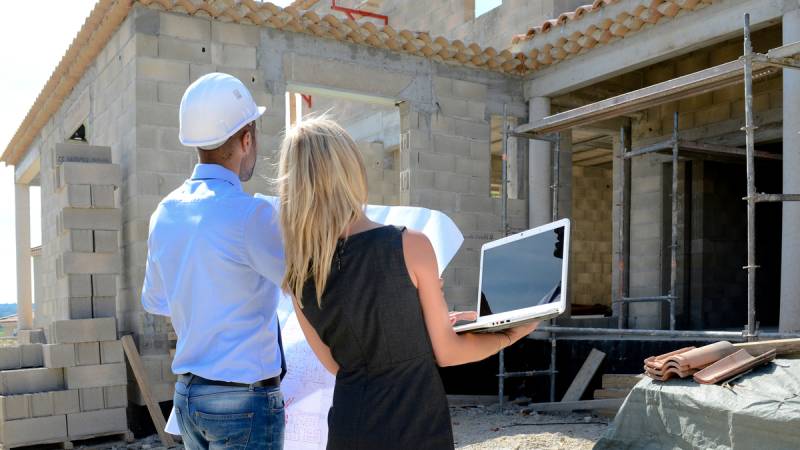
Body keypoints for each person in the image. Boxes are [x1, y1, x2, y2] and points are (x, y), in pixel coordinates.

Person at [277, 117, 539, 450]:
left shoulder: (299, 277)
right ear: (352, 170)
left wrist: (419, 326)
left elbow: (339, 364)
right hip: (415, 427)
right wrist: (510, 333)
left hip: (349, 429)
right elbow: (447, 352)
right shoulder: (410, 245)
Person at [142, 73, 286, 450]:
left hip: (189, 397)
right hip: (243, 401)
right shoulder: (250, 215)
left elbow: (156, 301)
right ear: (246, 139)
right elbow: (302, 283)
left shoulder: (164, 213)